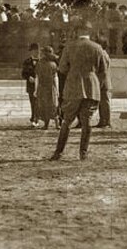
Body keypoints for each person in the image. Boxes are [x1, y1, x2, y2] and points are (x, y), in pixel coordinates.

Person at [50, 23, 107, 161]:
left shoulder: (69, 46)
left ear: (77, 32)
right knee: (87, 121)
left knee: (67, 120)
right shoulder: (97, 47)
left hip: (73, 85)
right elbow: (103, 70)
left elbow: (62, 68)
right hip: (91, 86)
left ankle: (58, 152)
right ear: (89, 32)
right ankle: (83, 153)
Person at [35, 46, 60, 129]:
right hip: (52, 87)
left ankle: (46, 125)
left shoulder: (39, 64)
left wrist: (35, 90)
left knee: (44, 105)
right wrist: (57, 90)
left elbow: (37, 78)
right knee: (53, 105)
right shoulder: (53, 64)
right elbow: (56, 78)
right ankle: (57, 124)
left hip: (42, 87)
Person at [95, 38, 113, 128]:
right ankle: (103, 120)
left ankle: (106, 121)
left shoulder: (102, 54)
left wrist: (100, 82)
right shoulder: (103, 53)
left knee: (105, 102)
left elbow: (104, 70)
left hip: (103, 81)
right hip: (103, 80)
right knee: (102, 102)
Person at [21, 43, 40, 127]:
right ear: (31, 51)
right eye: (34, 50)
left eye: (38, 50)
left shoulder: (42, 61)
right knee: (33, 102)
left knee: (39, 103)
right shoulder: (27, 62)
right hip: (31, 86)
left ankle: (38, 118)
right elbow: (23, 74)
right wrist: (28, 77)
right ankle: (34, 118)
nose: (36, 52)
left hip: (41, 85)